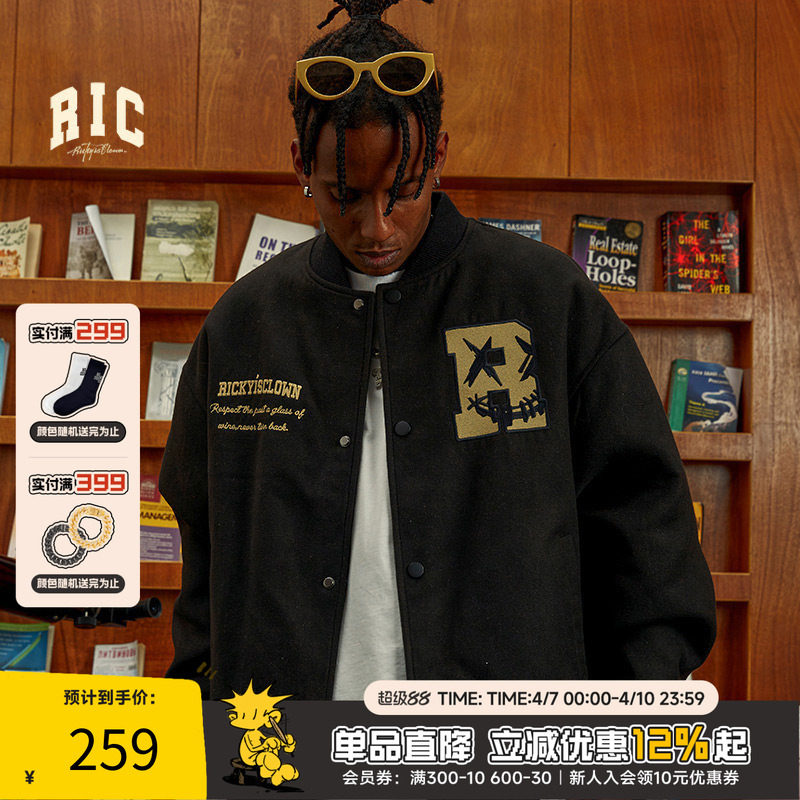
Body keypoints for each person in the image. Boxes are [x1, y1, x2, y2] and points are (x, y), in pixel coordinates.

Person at [160, 0, 716, 701]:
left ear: (440, 156)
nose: (377, 226)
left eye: (403, 190)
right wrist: (203, 702)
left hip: (501, 738)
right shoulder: (245, 327)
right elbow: (204, 548)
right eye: (344, 195)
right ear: (301, 164)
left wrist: (628, 709)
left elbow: (647, 531)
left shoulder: (543, 300)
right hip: (280, 737)